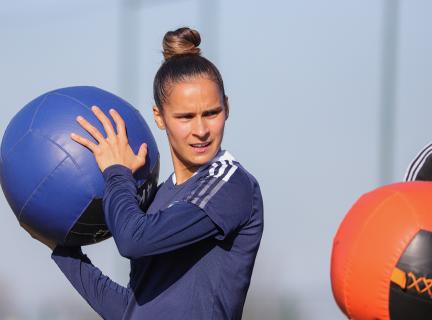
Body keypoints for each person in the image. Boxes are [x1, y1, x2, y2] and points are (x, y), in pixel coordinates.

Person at [28, 27, 264, 320]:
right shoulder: (160, 198)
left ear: (227, 107)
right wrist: (64, 252)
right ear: (159, 117)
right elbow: (132, 310)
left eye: (211, 113)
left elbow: (132, 240)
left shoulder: (230, 186)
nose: (201, 130)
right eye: (185, 117)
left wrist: (116, 171)